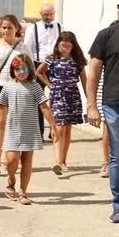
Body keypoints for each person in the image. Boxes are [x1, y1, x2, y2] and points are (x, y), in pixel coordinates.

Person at [0, 54, 57, 205]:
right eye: (17, 69)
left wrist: (53, 126)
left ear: (30, 69)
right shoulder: (8, 87)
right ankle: (11, 180)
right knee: (11, 161)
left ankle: (22, 192)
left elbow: (44, 107)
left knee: (27, 161)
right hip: (13, 130)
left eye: (24, 68)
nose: (21, 72)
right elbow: (0, 104)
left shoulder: (35, 87)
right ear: (12, 70)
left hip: (30, 130)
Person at [86, 0, 119, 223]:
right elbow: (93, 73)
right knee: (118, 158)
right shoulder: (106, 35)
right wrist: (91, 105)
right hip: (114, 105)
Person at [36, 32, 87, 175]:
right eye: (62, 45)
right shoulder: (51, 59)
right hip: (57, 95)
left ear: (73, 46)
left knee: (67, 128)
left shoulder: (77, 60)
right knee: (59, 127)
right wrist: (49, 84)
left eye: (68, 46)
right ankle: (58, 162)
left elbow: (84, 80)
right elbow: (39, 72)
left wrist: (89, 99)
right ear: (57, 45)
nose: (64, 49)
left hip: (72, 95)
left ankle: (63, 161)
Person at [0, 15, 31, 173]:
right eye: (3, 27)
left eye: (9, 27)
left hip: (17, 88)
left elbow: (29, 68)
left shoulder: (22, 47)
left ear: (16, 28)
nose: (6, 30)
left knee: (13, 125)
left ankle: (9, 159)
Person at [24, 3, 62, 139]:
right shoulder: (32, 29)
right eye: (46, 15)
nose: (49, 17)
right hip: (37, 64)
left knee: (57, 98)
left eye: (51, 14)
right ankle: (38, 132)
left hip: (55, 65)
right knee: (37, 100)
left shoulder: (59, 27)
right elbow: (27, 49)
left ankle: (55, 130)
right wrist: (30, 69)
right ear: (40, 14)